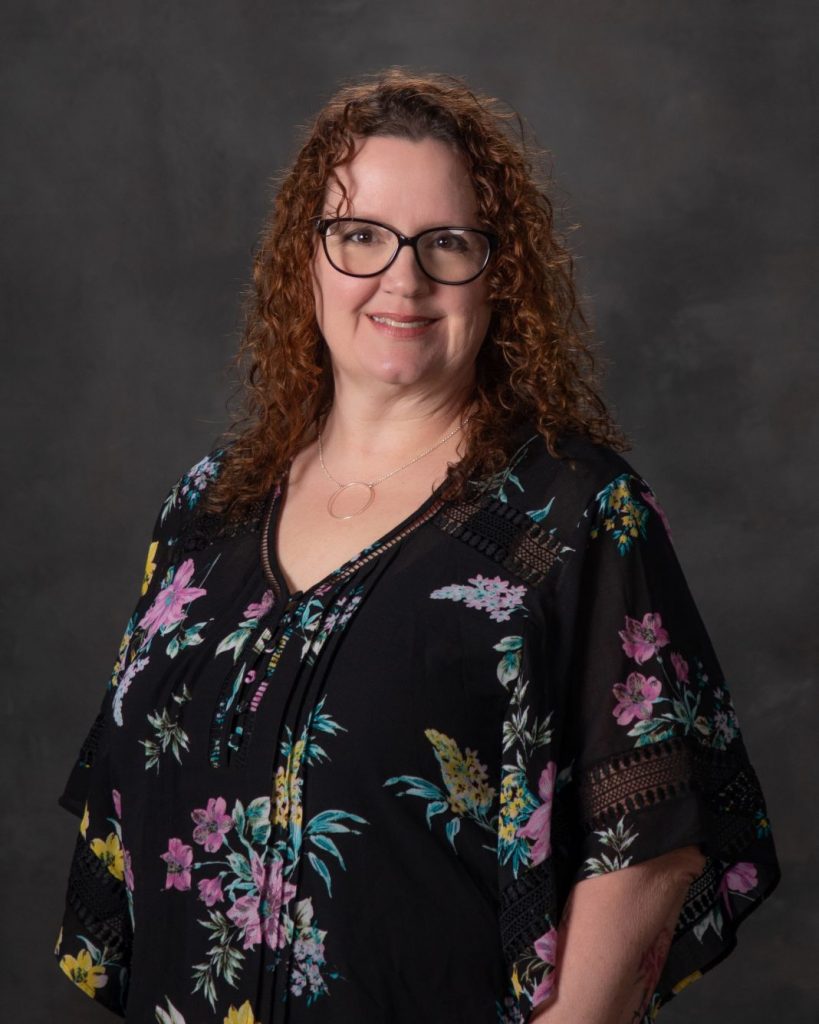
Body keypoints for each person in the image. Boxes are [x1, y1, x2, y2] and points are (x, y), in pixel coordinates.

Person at [54, 69, 779, 1024]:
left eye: (447, 243)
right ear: (302, 260)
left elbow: (652, 842)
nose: (402, 278)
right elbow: (129, 812)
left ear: (498, 273)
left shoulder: (572, 511)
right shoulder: (207, 507)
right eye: (359, 237)